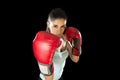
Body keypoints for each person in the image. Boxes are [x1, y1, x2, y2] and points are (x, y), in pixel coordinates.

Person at [32, 8, 82, 80]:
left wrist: (76, 45)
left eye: (62, 26)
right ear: (48, 24)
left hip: (59, 77)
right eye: (55, 26)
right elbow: (48, 78)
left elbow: (75, 59)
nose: (59, 31)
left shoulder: (65, 40)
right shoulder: (43, 43)